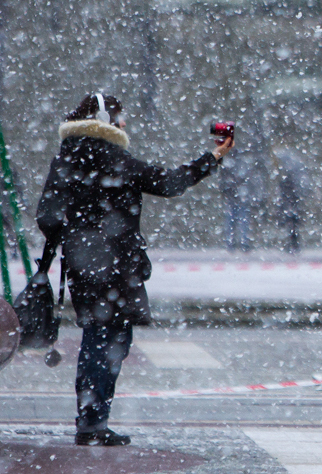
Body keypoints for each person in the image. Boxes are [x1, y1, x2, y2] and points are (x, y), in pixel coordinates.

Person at [36, 93, 233, 447]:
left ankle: (90, 420)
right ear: (103, 119)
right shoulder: (112, 157)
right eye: (119, 117)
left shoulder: (65, 157)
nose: (124, 124)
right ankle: (93, 424)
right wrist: (214, 156)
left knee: (95, 339)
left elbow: (47, 216)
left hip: (83, 268)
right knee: (110, 343)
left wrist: (76, 238)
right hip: (113, 268)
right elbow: (170, 183)